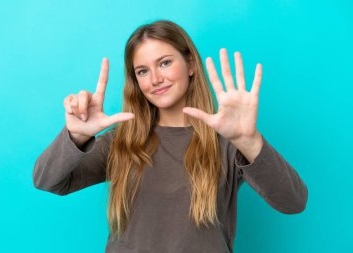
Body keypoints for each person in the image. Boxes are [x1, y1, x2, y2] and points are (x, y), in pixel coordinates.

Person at [33, 20, 308, 253]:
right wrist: (76, 135)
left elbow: (293, 201)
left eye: (164, 63)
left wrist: (249, 141)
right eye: (143, 71)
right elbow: (47, 181)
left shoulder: (227, 141)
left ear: (190, 64)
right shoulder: (121, 141)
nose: (155, 79)